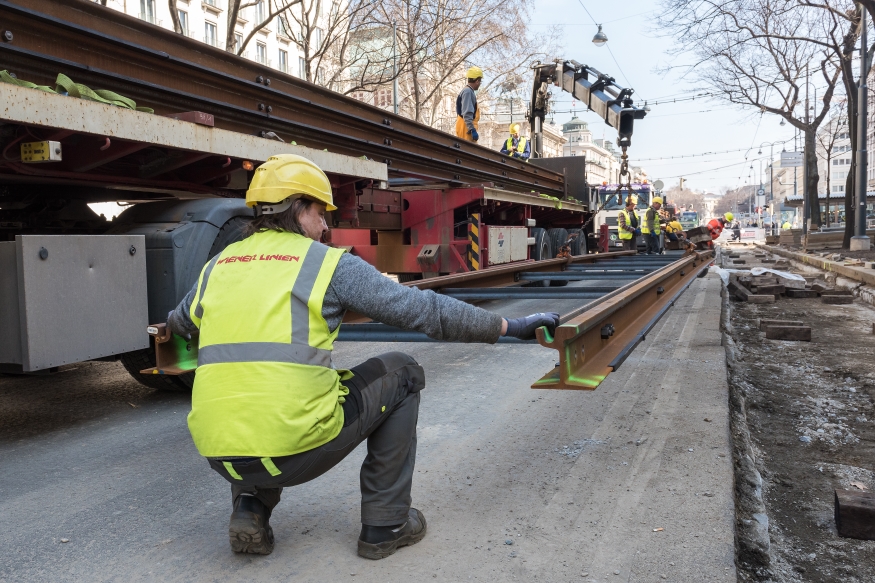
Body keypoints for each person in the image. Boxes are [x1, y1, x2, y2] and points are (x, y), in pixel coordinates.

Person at [162, 154, 560, 560]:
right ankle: (385, 524)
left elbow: (179, 322)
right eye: (320, 213)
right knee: (403, 371)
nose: (326, 226)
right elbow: (427, 312)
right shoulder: (326, 265)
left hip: (220, 456)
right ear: (298, 209)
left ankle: (250, 506)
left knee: (248, 389)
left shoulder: (219, 266)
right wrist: (511, 326)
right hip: (296, 453)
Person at [455, 66, 483, 142]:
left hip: (465, 126)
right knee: (467, 151)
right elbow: (467, 112)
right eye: (480, 81)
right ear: (477, 81)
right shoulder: (468, 92)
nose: (480, 84)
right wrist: (472, 129)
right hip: (466, 128)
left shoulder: (467, 91)